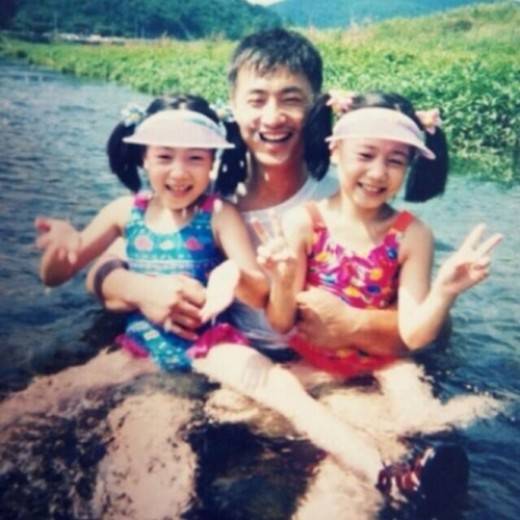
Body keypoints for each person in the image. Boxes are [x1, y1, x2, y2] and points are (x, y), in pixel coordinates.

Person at [81, 30, 473, 504]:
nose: (272, 116)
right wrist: (140, 289)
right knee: (149, 468)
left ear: (318, 108)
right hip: (211, 366)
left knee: (348, 485)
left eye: (291, 99)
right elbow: (103, 265)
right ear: (232, 105)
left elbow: (432, 324)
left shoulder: (348, 195)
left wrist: (354, 324)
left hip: (331, 375)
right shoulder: (197, 183)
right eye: (257, 99)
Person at [36, 94, 269, 373]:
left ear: (212, 162)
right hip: (138, 348)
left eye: (195, 158)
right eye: (164, 157)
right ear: (144, 158)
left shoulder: (219, 215)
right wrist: (59, 252)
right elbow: (54, 277)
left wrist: (233, 273)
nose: (179, 172)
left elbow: (259, 289)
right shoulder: (124, 212)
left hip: (205, 350)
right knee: (43, 392)